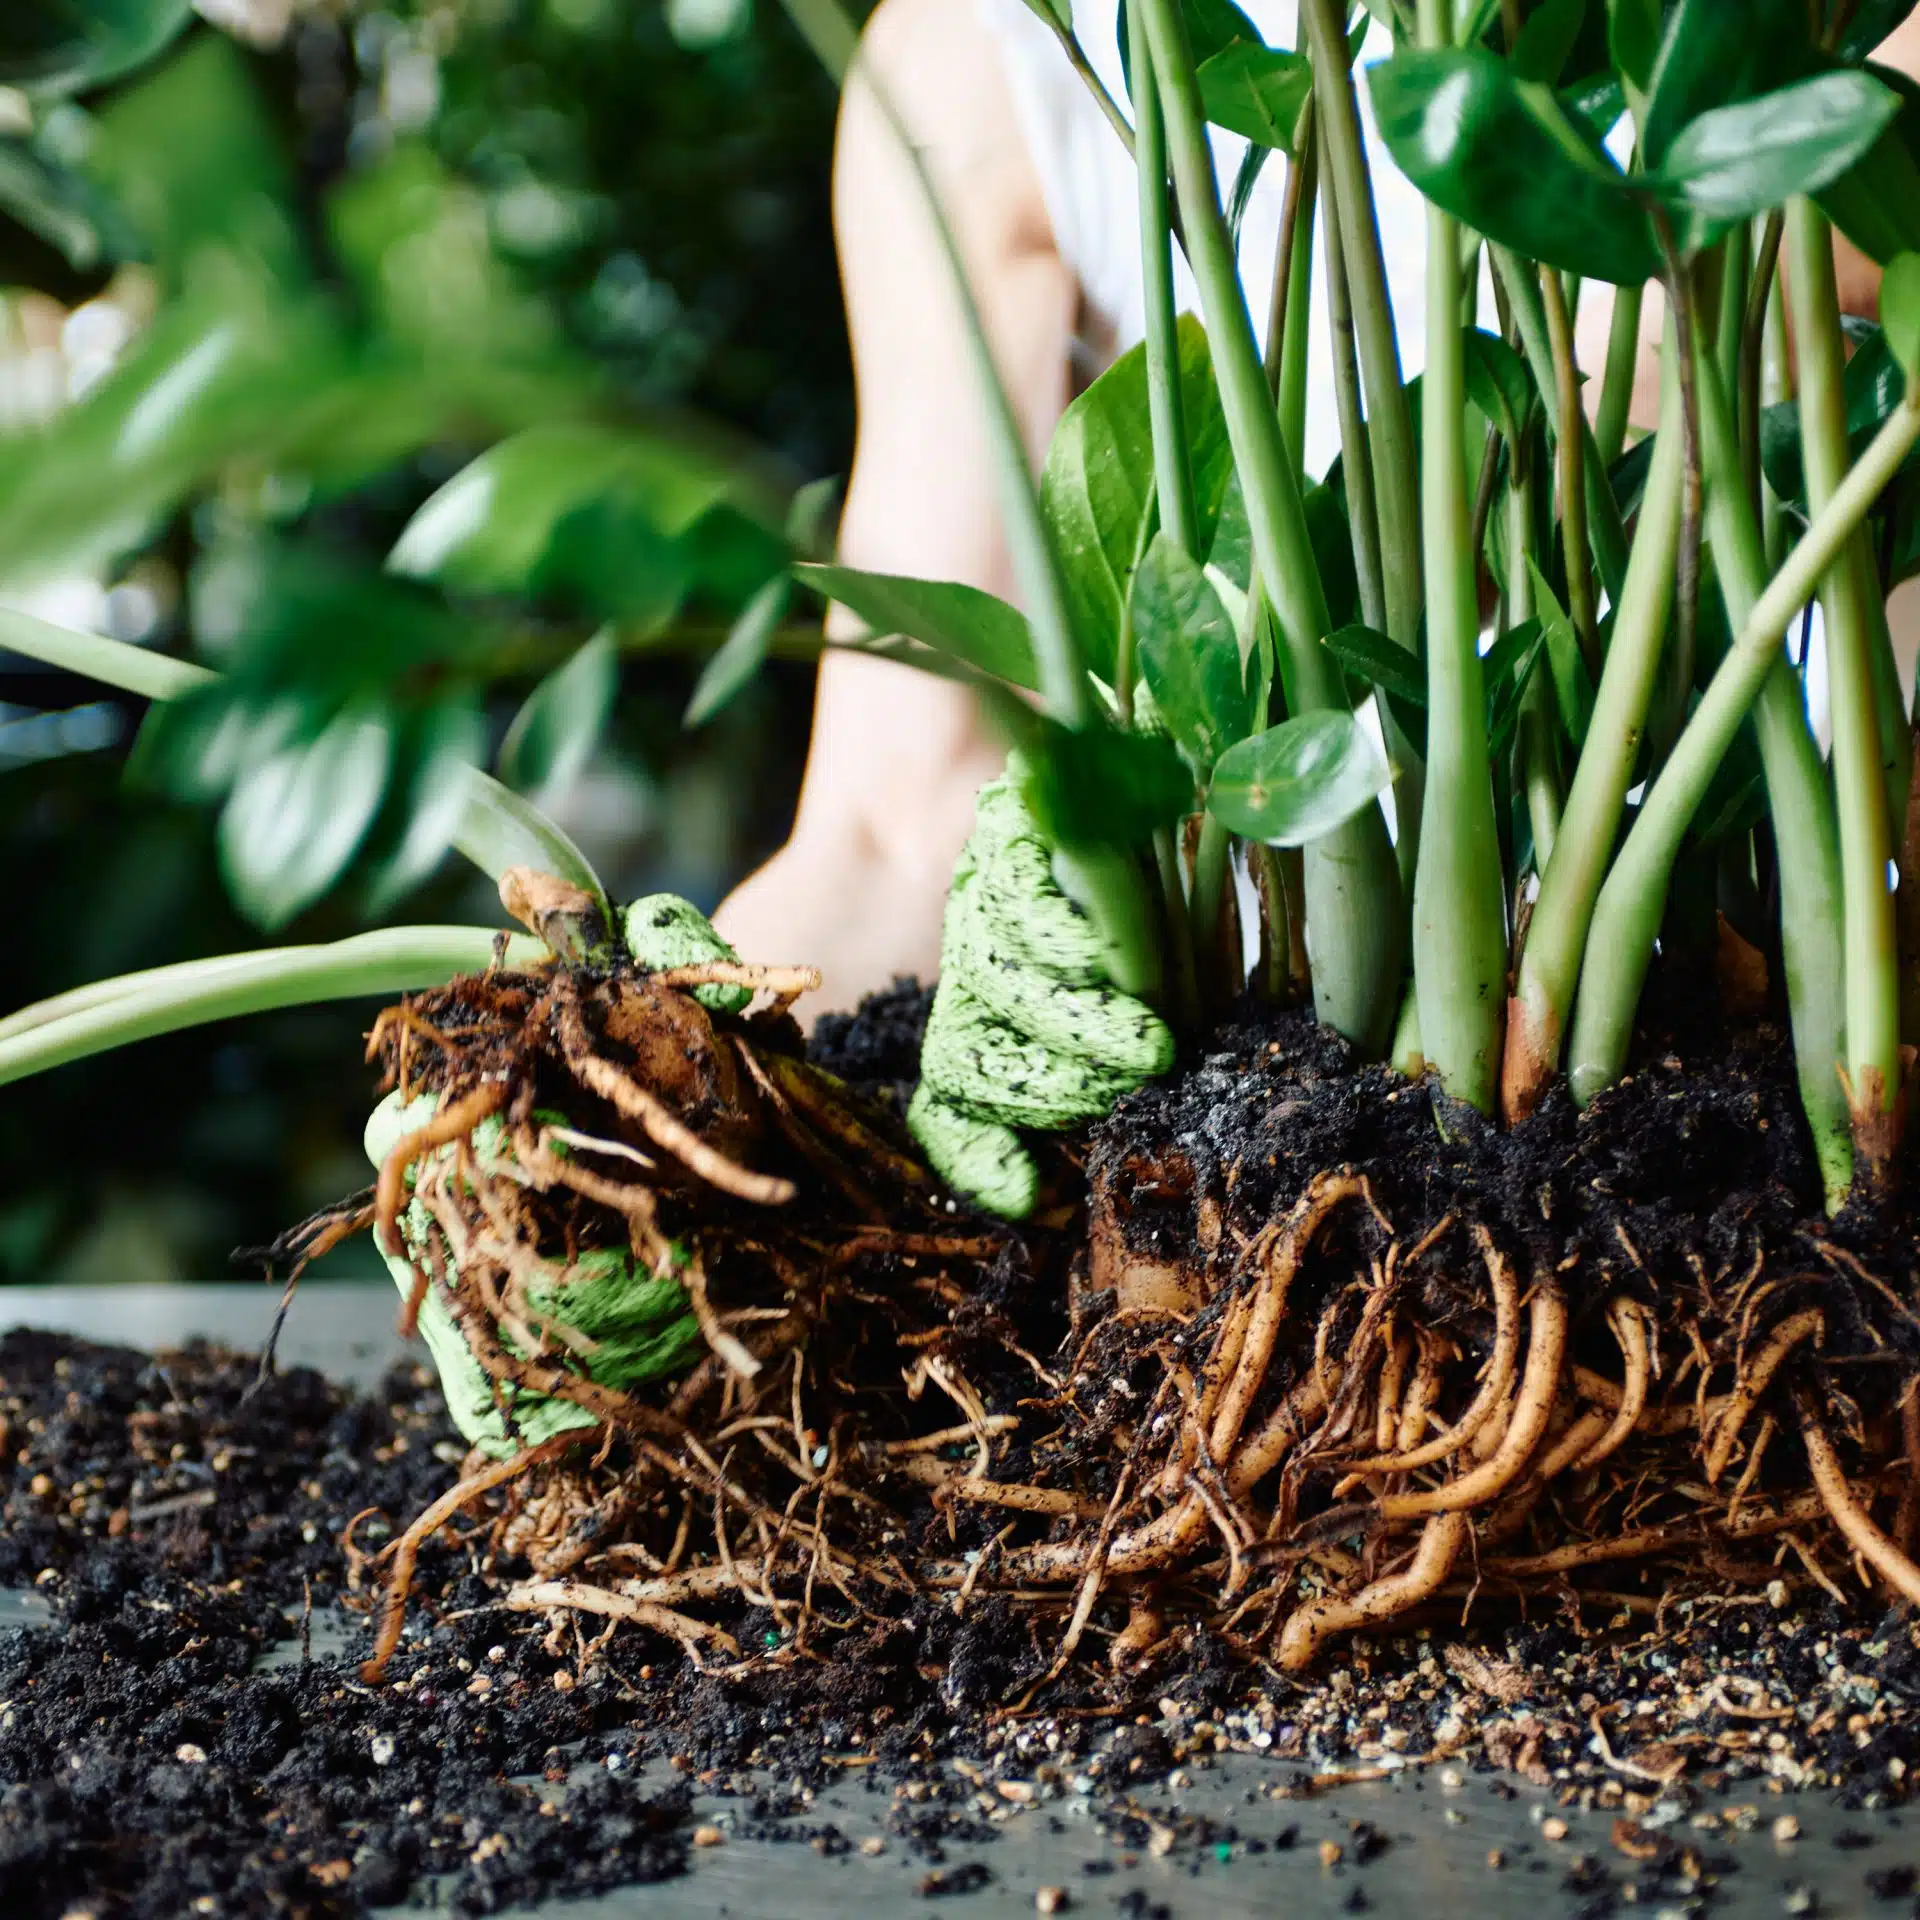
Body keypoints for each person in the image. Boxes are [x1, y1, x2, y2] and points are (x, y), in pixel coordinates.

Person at [715, 0, 1920, 1019]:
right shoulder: (978, 51)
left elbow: (1654, 374)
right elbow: (900, 820)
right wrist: (641, 1073)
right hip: (1253, 1077)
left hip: (1804, 993)